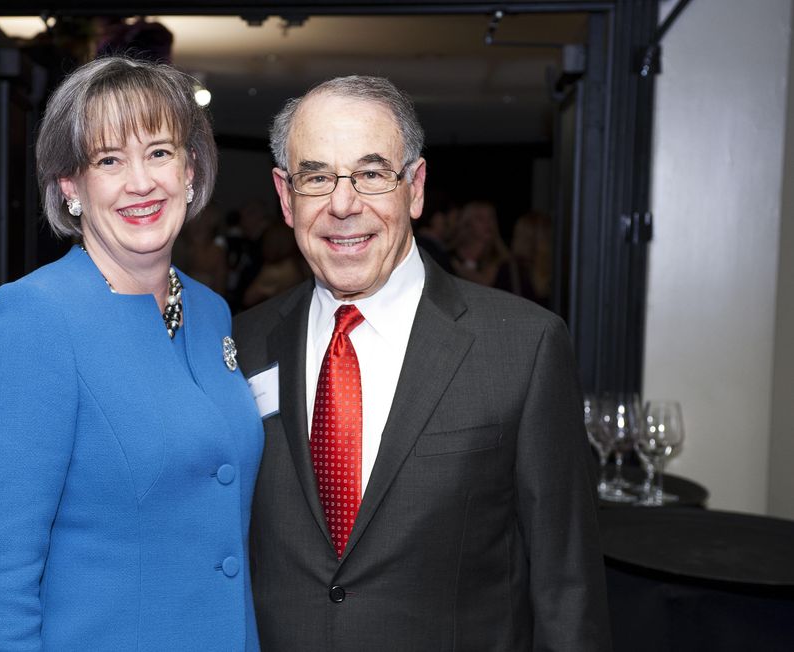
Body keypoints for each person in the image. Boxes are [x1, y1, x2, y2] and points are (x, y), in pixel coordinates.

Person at [233, 76, 610, 651]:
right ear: (286, 197)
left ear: (415, 186)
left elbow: (567, 586)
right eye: (316, 177)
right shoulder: (243, 343)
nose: (342, 204)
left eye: (372, 173)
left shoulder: (523, 347)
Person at [0, 56, 264, 650]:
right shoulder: (32, 320)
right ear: (70, 185)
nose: (141, 182)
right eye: (108, 160)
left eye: (159, 152)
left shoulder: (210, 313)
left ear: (191, 169)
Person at [451, 199, 521, 294]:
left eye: (491, 218)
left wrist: (463, 270)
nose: (487, 223)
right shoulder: (451, 255)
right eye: (480, 218)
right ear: (467, 223)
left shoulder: (504, 259)